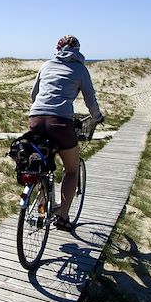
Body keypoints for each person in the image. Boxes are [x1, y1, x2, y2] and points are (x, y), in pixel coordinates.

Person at [29, 35, 104, 231]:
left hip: (35, 119)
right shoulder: (80, 69)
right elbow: (90, 100)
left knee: (41, 166)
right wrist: (97, 117)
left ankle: (42, 210)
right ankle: (62, 219)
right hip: (61, 123)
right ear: (78, 50)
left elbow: (33, 95)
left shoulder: (46, 66)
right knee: (71, 170)